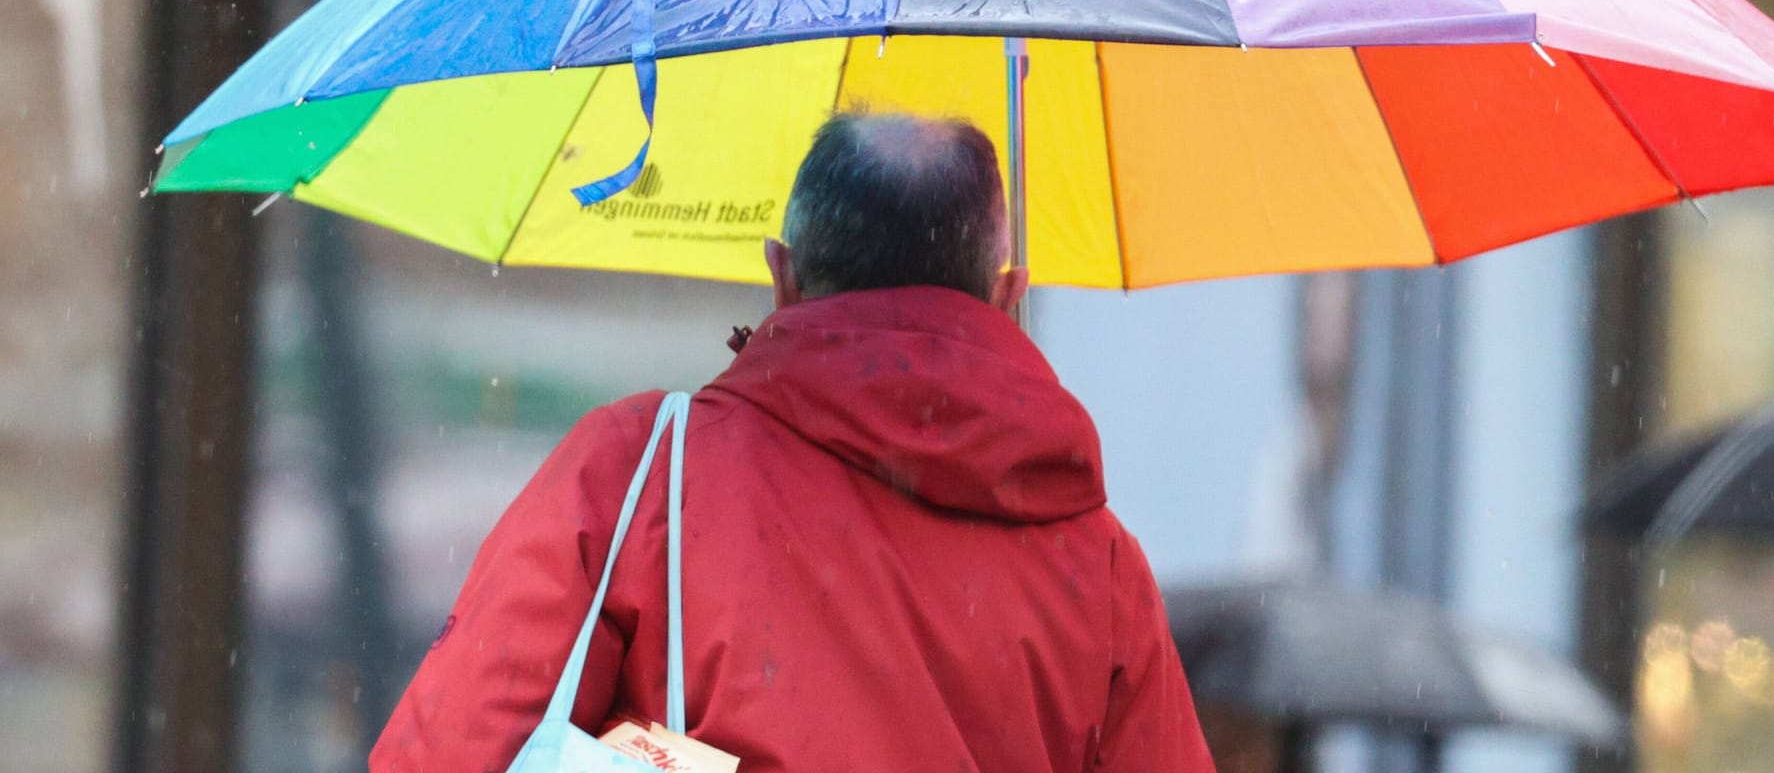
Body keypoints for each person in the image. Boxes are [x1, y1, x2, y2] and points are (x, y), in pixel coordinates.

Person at [371, 112, 1211, 771]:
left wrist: (637, 745)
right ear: (1009, 293)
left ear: (783, 275)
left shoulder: (641, 476)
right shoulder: (1098, 568)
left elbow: (453, 753)